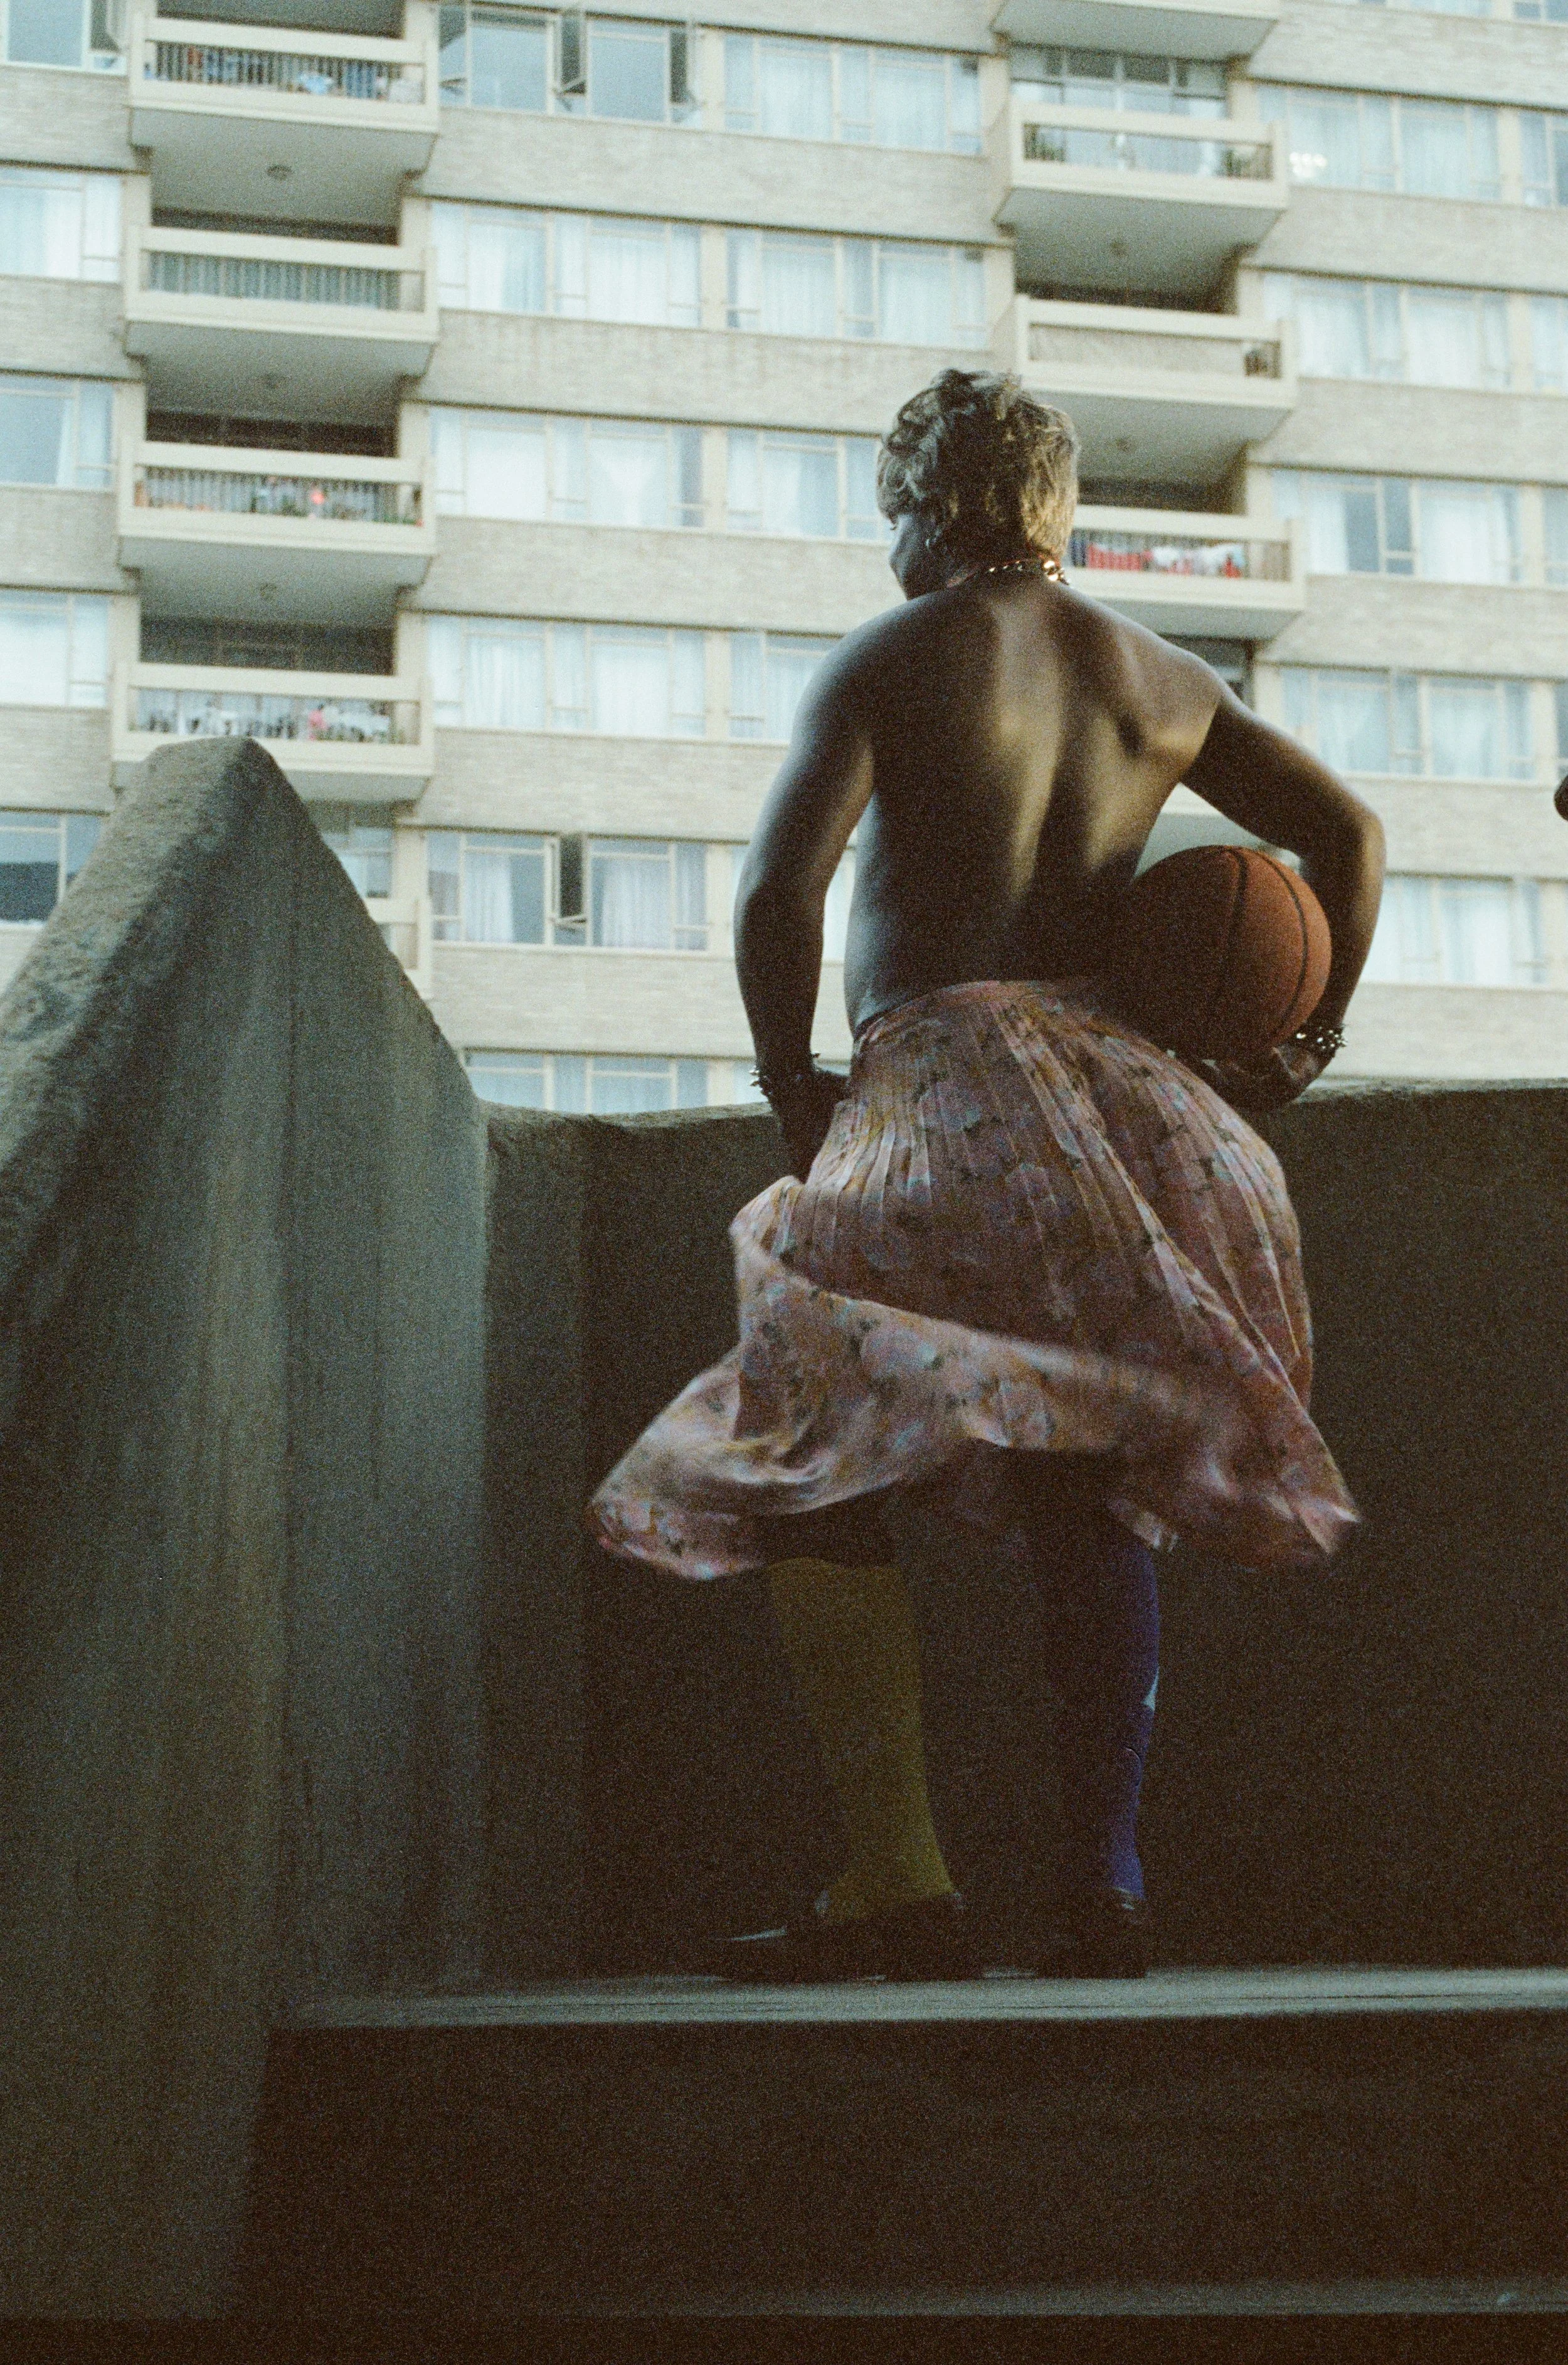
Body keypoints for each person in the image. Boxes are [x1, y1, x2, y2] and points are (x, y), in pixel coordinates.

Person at [590, 370, 1383, 1981]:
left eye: (892, 512)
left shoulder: (897, 651)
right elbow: (1348, 837)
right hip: (1125, 1116)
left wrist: (787, 1090)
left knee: (802, 1445)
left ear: (935, 509)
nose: (888, 544)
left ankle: (896, 1882)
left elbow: (773, 898)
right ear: (1051, 510)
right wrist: (1301, 1044)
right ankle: (1099, 1884)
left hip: (942, 1076)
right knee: (1080, 1469)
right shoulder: (1154, 674)